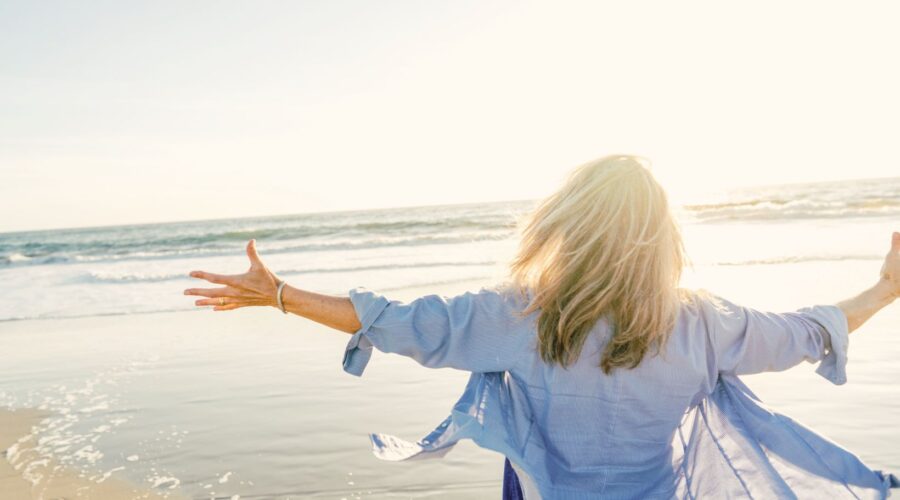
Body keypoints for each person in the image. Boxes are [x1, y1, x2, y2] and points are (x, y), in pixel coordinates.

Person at [184, 155, 900, 498]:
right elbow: (810, 331)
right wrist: (884, 290)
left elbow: (400, 325)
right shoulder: (703, 325)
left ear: (569, 226)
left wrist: (281, 294)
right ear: (663, 237)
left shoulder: (517, 317)